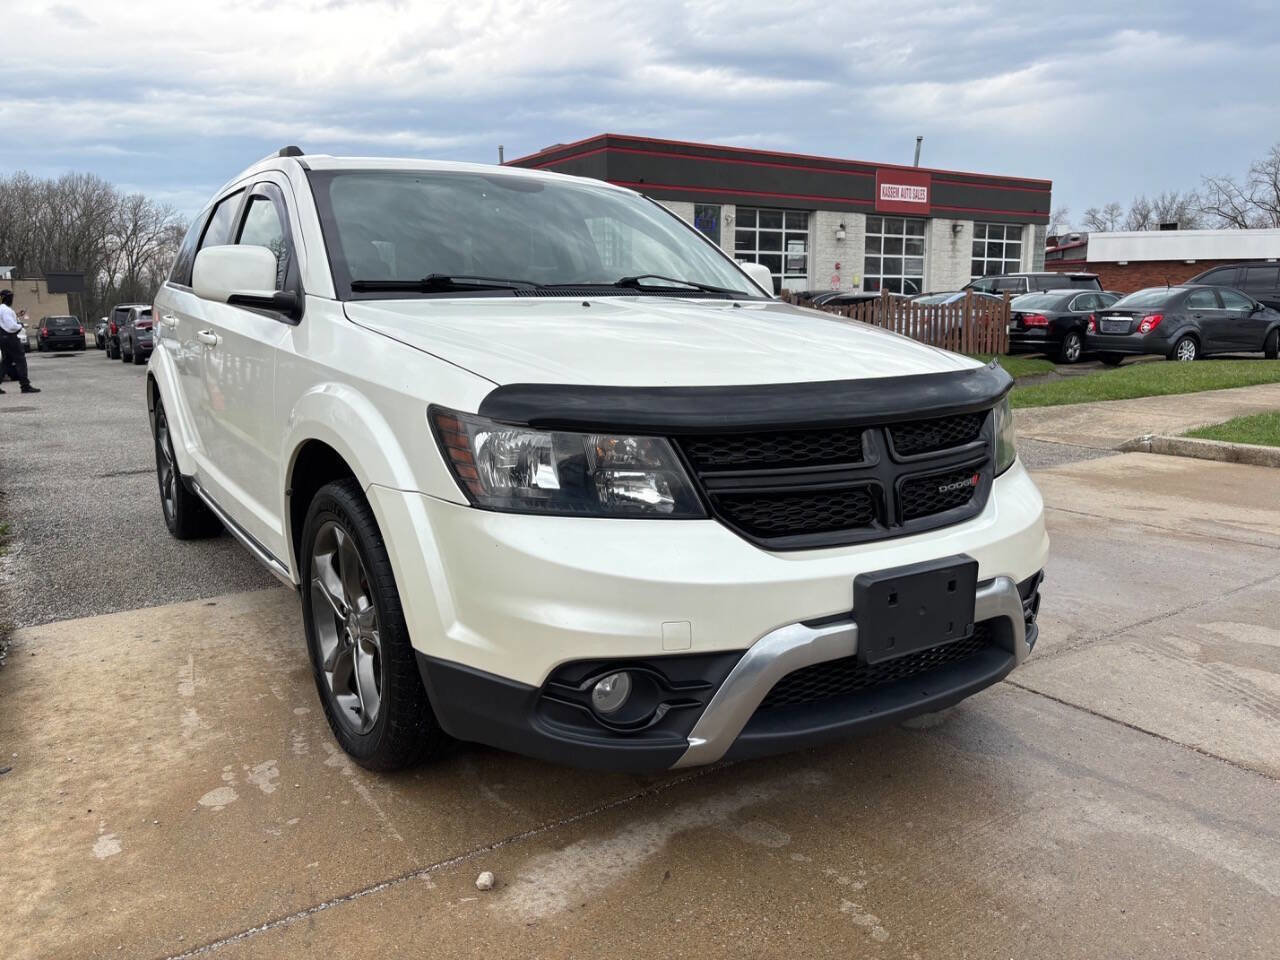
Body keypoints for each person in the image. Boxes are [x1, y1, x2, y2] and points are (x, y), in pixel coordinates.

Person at [0, 289, 40, 394]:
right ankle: (25, 386)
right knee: (20, 360)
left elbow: (5, 321)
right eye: (11, 297)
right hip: (10, 338)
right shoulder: (6, 310)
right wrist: (21, 326)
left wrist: (17, 315)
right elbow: (11, 326)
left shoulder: (2, 309)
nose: (12, 299)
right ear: (6, 298)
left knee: (6, 362)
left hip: (2, 338)